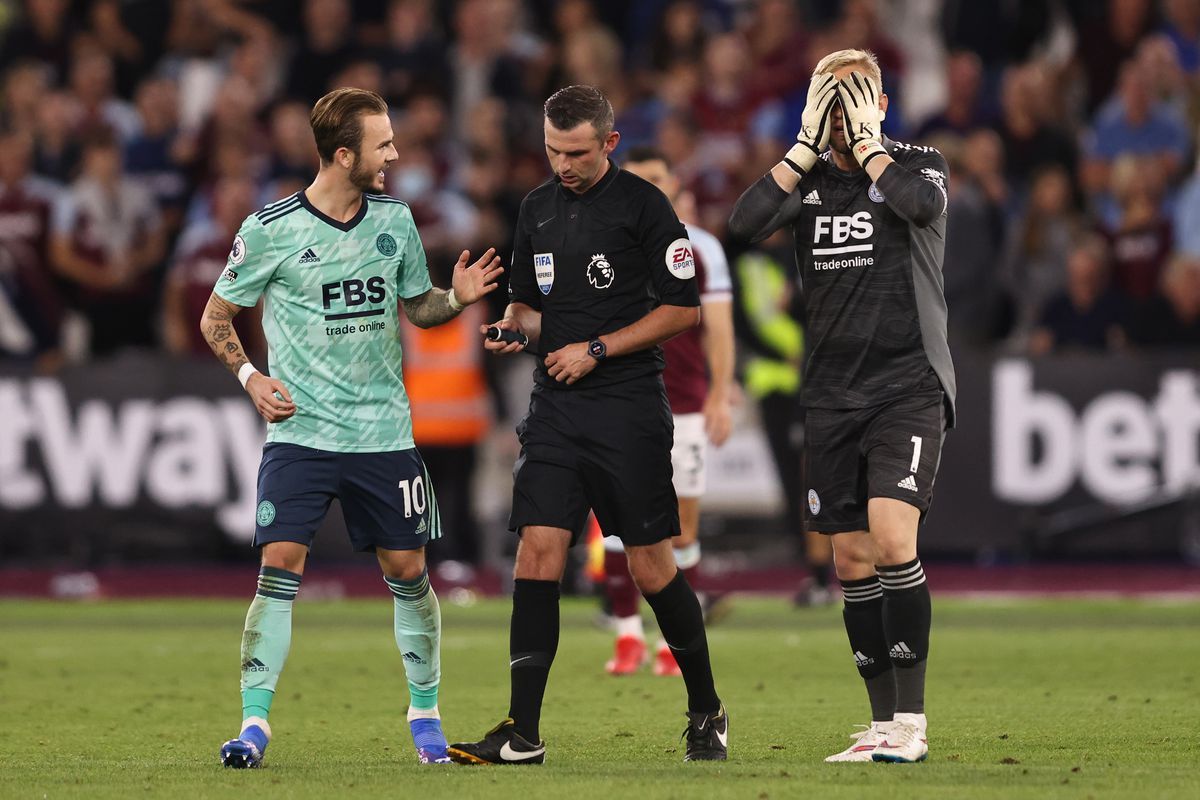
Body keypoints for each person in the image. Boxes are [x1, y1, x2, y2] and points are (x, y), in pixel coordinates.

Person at [199, 87, 503, 768]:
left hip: (382, 434)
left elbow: (417, 307)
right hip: (300, 434)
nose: (395, 154)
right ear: (344, 155)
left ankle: (424, 715)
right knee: (279, 564)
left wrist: (456, 297)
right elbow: (215, 317)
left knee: (409, 570)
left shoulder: (395, 220)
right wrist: (252, 379)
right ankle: (253, 726)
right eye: (383, 145)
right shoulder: (271, 228)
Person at [447, 85, 727, 765]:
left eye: (575, 152)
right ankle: (523, 732)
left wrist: (598, 347)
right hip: (556, 407)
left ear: (609, 143)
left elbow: (682, 309)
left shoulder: (644, 207)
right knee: (536, 552)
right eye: (551, 150)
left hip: (628, 408)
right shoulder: (536, 210)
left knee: (651, 564)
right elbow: (529, 305)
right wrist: (514, 326)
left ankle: (706, 710)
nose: (562, 164)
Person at [729, 48, 956, 764]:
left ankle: (913, 725)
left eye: (855, 98)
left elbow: (921, 209)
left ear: (882, 104)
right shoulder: (807, 179)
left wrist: (868, 145)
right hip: (830, 396)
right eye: (830, 99)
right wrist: (802, 148)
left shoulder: (919, 165)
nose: (841, 114)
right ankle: (882, 725)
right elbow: (741, 227)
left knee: (893, 540)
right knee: (850, 559)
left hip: (908, 386)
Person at [595, 145, 735, 677]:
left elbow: (718, 326)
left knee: (683, 530)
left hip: (687, 404)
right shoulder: (605, 239)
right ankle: (627, 636)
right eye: (638, 181)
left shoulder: (702, 249)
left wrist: (721, 391)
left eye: (657, 179)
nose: (649, 189)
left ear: (677, 185)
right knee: (615, 525)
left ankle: (673, 643)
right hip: (619, 400)